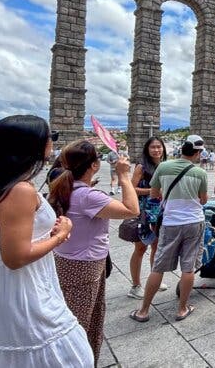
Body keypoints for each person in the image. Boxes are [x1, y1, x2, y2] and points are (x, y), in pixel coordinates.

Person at [0, 115, 94, 366]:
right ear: (32, 145)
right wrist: (59, 235)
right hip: (21, 288)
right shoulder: (20, 190)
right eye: (50, 138)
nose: (52, 143)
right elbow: (16, 257)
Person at [49, 140, 140, 363]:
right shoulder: (89, 196)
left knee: (81, 315)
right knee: (82, 321)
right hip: (84, 265)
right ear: (93, 165)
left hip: (67, 260)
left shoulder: (65, 187)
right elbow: (131, 210)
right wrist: (124, 176)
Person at [130, 135, 208, 323]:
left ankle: (143, 311)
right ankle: (182, 309)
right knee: (188, 267)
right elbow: (204, 200)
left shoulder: (163, 167)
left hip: (170, 222)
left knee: (158, 266)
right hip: (194, 222)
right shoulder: (200, 173)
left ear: (182, 149)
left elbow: (155, 194)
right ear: (197, 153)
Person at [128, 136, 170, 298]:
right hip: (144, 212)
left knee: (156, 246)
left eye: (159, 147)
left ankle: (155, 279)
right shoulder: (141, 167)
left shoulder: (164, 165)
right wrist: (152, 192)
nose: (156, 150)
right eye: (153, 147)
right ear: (147, 149)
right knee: (140, 248)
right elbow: (132, 189)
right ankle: (135, 285)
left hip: (159, 211)